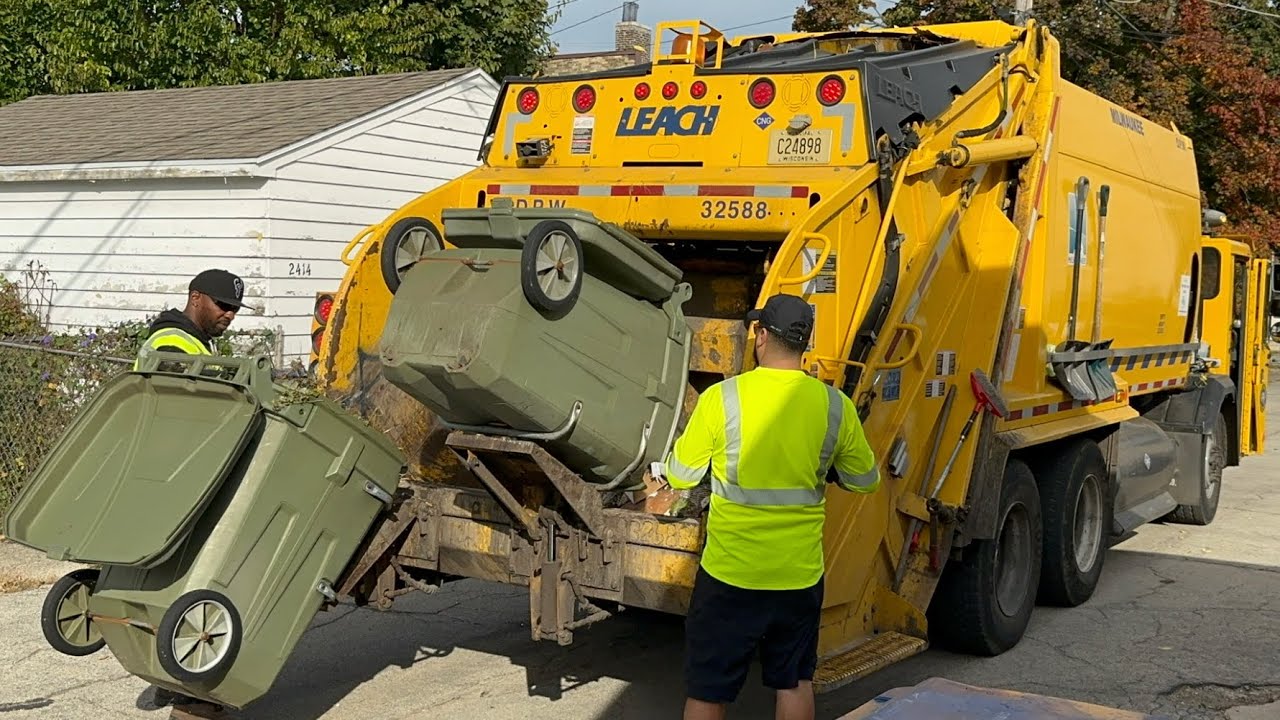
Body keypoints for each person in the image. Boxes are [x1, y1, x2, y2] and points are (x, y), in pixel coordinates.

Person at [661, 293, 880, 720]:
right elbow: (865, 481)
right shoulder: (835, 406)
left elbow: (682, 476)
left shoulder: (721, 399)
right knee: (794, 681)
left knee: (708, 689)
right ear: (805, 345)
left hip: (730, 573)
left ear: (761, 336)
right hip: (797, 577)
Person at [134, 269, 246, 368]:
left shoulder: (197, 339)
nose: (230, 315)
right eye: (224, 305)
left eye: (235, 309)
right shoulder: (171, 343)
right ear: (195, 298)